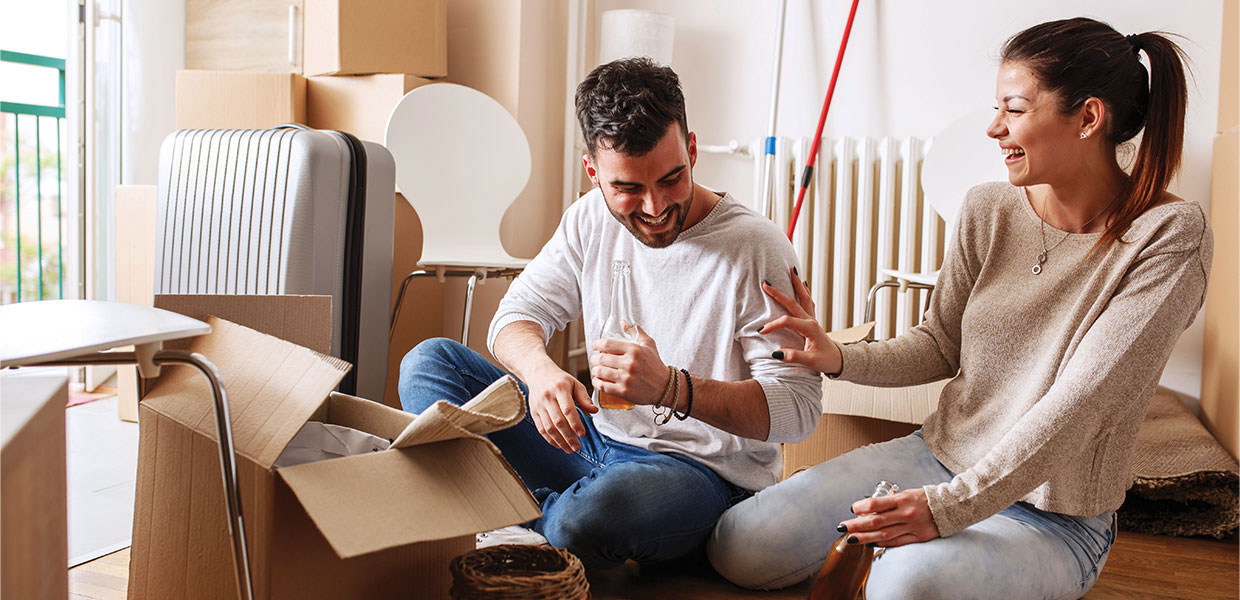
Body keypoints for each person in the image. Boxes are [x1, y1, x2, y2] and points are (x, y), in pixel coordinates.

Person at [707, 17, 1211, 600]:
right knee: (737, 546)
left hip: (1052, 512)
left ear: (1089, 118)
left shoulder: (1168, 234)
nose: (995, 128)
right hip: (937, 459)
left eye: (1014, 109)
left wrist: (949, 510)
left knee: (904, 585)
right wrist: (836, 355)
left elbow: (1083, 403)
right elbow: (939, 344)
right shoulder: (988, 209)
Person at [398, 57, 822, 570]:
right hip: (593, 441)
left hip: (698, 473)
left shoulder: (757, 248)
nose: (654, 206)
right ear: (592, 171)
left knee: (586, 520)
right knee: (430, 363)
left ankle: (515, 517)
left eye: (671, 179)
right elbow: (514, 317)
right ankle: (540, 523)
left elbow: (799, 411)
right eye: (628, 189)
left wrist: (671, 387)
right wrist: (541, 373)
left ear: (691, 150)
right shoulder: (587, 218)